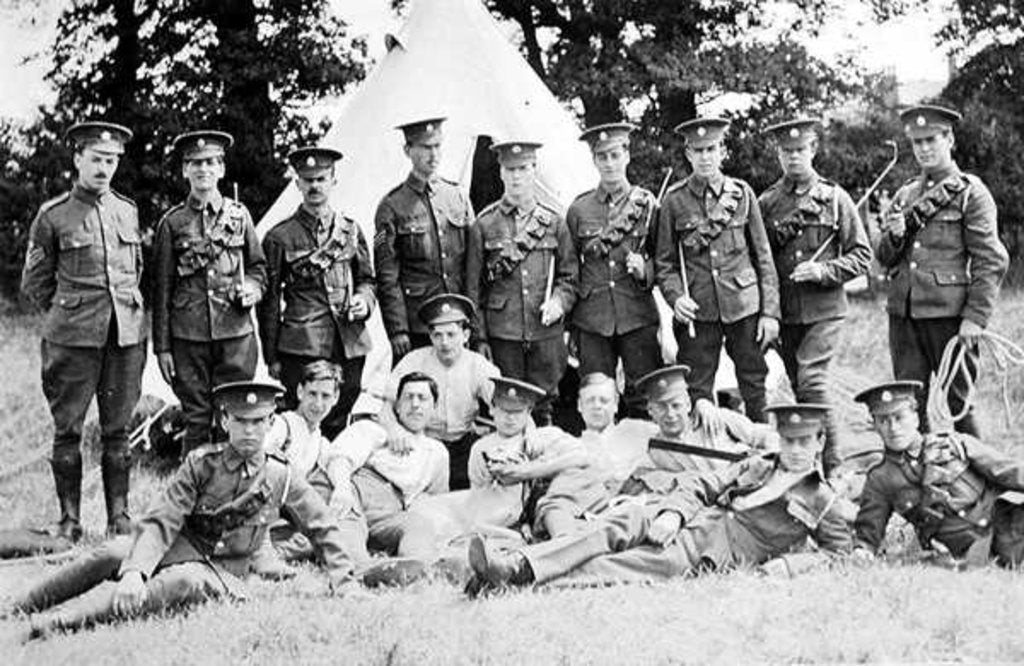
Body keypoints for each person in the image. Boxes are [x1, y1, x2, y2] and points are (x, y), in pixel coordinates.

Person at [7, 381, 358, 639]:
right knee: (114, 551)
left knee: (182, 581)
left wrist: (345, 582)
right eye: (241, 421)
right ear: (225, 422)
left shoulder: (282, 476)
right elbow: (164, 518)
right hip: (184, 546)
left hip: (225, 572)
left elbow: (323, 526)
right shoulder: (201, 463)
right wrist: (136, 570)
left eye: (258, 422)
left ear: (270, 425)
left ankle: (57, 624)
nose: (250, 431)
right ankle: (19, 605)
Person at [466, 403, 851, 590]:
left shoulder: (822, 499)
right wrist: (673, 516)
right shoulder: (759, 463)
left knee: (615, 565)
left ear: (819, 443)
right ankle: (516, 564)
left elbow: (839, 554)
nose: (795, 449)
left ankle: (513, 580)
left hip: (709, 552)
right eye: (789, 440)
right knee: (613, 524)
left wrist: (786, 568)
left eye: (804, 442)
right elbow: (700, 485)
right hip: (683, 519)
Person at [20, 121, 146, 540]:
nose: (104, 168)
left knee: (118, 430)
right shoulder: (53, 215)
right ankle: (70, 520)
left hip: (123, 338)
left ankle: (119, 518)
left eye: (111, 161)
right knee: (69, 429)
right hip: (72, 340)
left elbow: (135, 272)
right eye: (96, 159)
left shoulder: (126, 211)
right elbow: (35, 283)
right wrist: (69, 313)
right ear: (78, 159)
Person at [875, 105, 1009, 437]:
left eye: (931, 140)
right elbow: (884, 258)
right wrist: (893, 236)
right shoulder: (906, 195)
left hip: (949, 317)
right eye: (917, 142)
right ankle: (918, 479)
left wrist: (975, 317)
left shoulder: (970, 193)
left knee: (958, 403)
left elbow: (991, 260)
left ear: (949, 139)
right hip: (904, 317)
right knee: (907, 407)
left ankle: (981, 481)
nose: (924, 149)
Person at [533, 365, 773, 539]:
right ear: (650, 411)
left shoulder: (716, 419)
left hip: (752, 488)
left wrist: (706, 404)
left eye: (676, 405)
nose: (670, 414)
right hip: (713, 506)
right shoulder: (652, 449)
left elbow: (765, 435)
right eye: (661, 407)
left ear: (688, 404)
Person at [758, 118, 873, 473]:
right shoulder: (767, 203)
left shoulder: (836, 198)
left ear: (813, 150)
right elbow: (761, 261)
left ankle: (834, 462)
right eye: (786, 151)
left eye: (800, 150)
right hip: (787, 312)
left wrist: (823, 271)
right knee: (798, 387)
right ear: (778, 155)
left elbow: (862, 256)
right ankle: (809, 465)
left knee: (812, 380)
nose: (794, 158)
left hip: (825, 310)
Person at [655, 117, 780, 428]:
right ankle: (709, 454)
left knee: (753, 383)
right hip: (699, 312)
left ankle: (763, 448)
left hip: (744, 307)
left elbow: (763, 257)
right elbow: (665, 264)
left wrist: (770, 313)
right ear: (688, 154)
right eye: (698, 151)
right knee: (697, 388)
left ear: (721, 150)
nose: (705, 156)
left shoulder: (742, 194)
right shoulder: (674, 201)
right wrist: (676, 298)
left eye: (711, 148)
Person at [152, 130, 267, 455]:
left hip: (236, 335)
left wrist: (252, 288)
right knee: (197, 418)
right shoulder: (171, 224)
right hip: (189, 338)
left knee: (236, 413)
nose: (203, 170)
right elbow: (161, 291)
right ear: (185, 170)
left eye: (210, 163)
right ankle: (194, 493)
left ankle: (233, 488)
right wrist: (162, 348)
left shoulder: (239, 216)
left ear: (221, 169)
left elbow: (259, 268)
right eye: (195, 163)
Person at [258, 146, 376, 438]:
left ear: (333, 181)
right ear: (297, 183)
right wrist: (271, 356)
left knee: (341, 409)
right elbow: (269, 302)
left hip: (349, 341)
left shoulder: (350, 230)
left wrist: (363, 300)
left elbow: (368, 280)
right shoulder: (279, 237)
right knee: (301, 416)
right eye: (307, 180)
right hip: (303, 344)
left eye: (321, 178)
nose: (314, 186)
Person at [852, 380, 1024, 567]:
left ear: (916, 418)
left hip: (1011, 524)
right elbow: (868, 535)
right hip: (972, 551)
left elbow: (1008, 471)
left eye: (899, 417)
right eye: (884, 420)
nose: (893, 428)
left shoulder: (955, 444)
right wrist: (862, 551)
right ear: (875, 425)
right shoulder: (880, 479)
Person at [466, 140, 578, 425]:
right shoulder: (484, 225)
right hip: (503, 335)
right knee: (506, 406)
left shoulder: (554, 223)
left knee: (543, 406)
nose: (517, 176)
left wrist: (558, 302)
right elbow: (474, 290)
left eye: (523, 168)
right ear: (501, 173)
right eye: (510, 169)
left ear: (534, 171)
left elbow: (570, 277)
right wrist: (480, 339)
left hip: (545, 333)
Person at [566, 122, 662, 418]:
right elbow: (569, 268)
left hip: (636, 314)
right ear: (594, 161)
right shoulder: (579, 210)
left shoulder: (647, 205)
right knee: (595, 397)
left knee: (644, 397)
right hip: (592, 319)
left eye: (615, 155)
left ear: (627, 156)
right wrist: (570, 326)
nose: (609, 164)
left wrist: (644, 269)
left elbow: (667, 262)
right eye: (602, 157)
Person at [320, 372, 450, 567]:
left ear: (434, 407)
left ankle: (411, 567)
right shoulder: (372, 429)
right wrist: (342, 489)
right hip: (358, 490)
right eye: (408, 397)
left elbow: (436, 501)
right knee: (347, 518)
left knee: (419, 526)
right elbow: (339, 459)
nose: (415, 404)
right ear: (397, 406)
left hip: (393, 509)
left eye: (422, 398)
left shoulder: (437, 452)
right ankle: (361, 567)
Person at [373, 116, 476, 358]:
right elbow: (388, 277)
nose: (433, 155)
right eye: (425, 148)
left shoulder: (457, 197)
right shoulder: (392, 206)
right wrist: (398, 330)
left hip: (457, 322)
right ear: (407, 151)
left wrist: (473, 323)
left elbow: (472, 267)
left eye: (437, 146)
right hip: (418, 325)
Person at [382, 293, 500, 489]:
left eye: (451, 334)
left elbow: (504, 403)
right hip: (421, 443)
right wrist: (394, 430)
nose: (444, 342)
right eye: (438, 335)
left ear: (466, 335)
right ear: (430, 336)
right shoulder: (414, 361)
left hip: (463, 445)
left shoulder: (477, 365)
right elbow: (384, 405)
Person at [466, 377, 585, 530]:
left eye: (517, 412)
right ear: (492, 409)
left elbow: (582, 456)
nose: (510, 418)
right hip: (499, 522)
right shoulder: (481, 448)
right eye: (504, 411)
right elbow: (477, 495)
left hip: (545, 516)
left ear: (528, 412)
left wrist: (531, 470)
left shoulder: (544, 437)